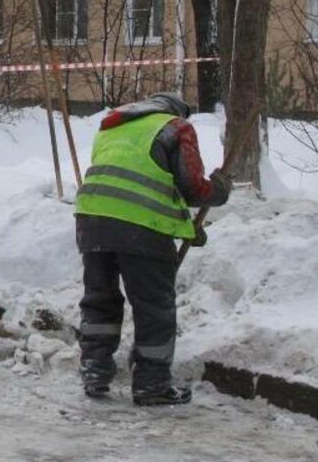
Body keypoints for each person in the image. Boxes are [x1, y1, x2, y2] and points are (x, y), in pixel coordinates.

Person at [74, 92, 231, 406]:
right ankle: (152, 384)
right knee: (153, 307)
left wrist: (183, 228)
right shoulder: (176, 128)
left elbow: (141, 183)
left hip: (92, 221)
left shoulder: (112, 127)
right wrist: (220, 190)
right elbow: (193, 189)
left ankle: (95, 369)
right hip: (139, 229)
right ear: (179, 111)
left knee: (100, 300)